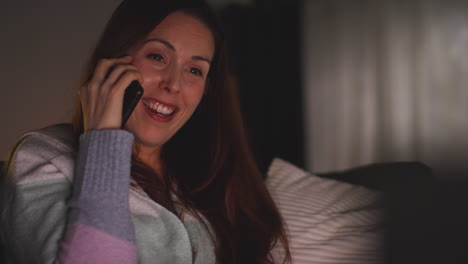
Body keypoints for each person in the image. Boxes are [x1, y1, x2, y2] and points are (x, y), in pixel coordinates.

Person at [0, 0, 291, 263]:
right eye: (157, 56)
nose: (173, 84)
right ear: (112, 61)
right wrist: (104, 138)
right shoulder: (43, 158)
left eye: (195, 70)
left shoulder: (207, 175)